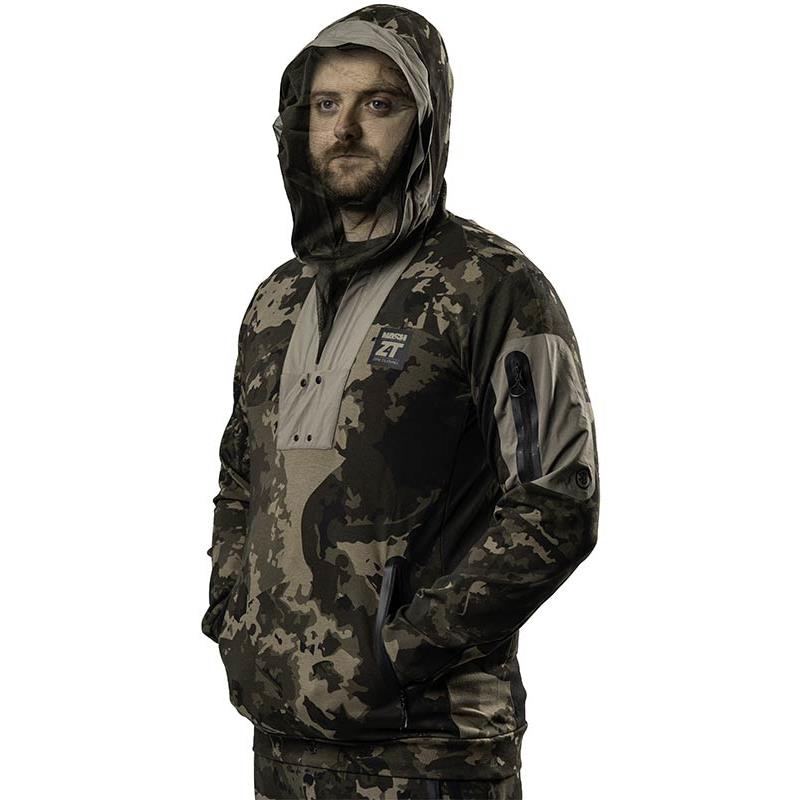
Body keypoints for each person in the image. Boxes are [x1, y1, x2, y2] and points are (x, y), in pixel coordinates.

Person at [201, 5, 600, 799]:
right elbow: (241, 480)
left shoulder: (492, 286)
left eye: (378, 103)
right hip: (282, 743)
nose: (345, 128)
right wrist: (232, 618)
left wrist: (400, 650)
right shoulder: (275, 302)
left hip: (432, 752)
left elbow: (558, 502)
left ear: (427, 120)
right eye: (325, 104)